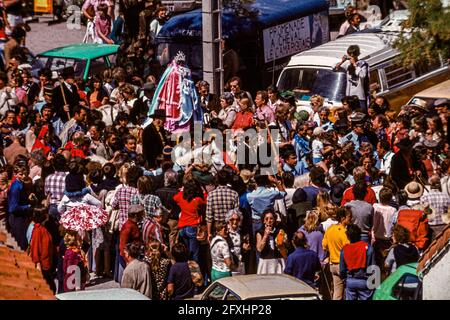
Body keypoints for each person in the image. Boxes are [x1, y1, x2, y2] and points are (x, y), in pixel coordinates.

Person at [322, 207, 352, 300]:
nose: (351, 219)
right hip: (343, 265)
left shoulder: (330, 229)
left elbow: (324, 245)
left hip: (332, 265)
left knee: (337, 293)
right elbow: (348, 248)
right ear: (343, 218)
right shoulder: (344, 232)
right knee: (348, 291)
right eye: (349, 217)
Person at [339, 224, 375, 300]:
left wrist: (344, 279)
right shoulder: (368, 248)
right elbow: (373, 268)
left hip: (350, 281)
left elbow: (342, 269)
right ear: (359, 235)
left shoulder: (344, 250)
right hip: (364, 281)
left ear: (348, 236)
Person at [174, 179, 205, 263]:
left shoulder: (181, 196)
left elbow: (175, 198)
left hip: (182, 227)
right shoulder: (197, 200)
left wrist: (182, 191)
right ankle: (194, 272)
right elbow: (204, 203)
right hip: (192, 226)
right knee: (194, 254)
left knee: (187, 252)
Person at [206, 169, 239, 242]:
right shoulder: (234, 194)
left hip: (217, 229)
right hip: (230, 228)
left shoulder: (211, 195)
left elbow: (209, 217)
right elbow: (236, 214)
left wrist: (209, 233)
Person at [334, 45, 369, 113]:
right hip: (349, 96)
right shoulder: (347, 64)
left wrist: (355, 65)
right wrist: (342, 61)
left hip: (359, 96)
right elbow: (335, 69)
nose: (351, 56)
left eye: (353, 55)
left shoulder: (363, 64)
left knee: (360, 114)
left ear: (357, 55)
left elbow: (362, 75)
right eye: (350, 55)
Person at [29, 206, 55, 292]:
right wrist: (38, 265)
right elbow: (35, 249)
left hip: (47, 264)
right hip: (42, 266)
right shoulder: (37, 231)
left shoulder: (43, 228)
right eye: (46, 213)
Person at [256, 210, 288, 274]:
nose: (269, 221)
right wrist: (265, 235)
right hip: (265, 262)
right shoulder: (260, 232)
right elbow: (259, 248)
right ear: (264, 221)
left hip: (277, 261)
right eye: (266, 219)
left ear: (274, 220)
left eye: (271, 218)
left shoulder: (279, 232)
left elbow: (285, 251)